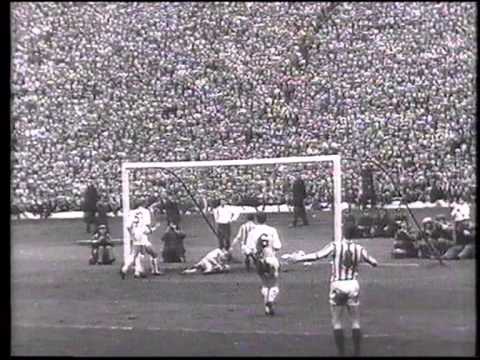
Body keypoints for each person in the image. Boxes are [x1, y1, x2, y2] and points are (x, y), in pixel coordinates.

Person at [290, 238, 378, 357]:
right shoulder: (359, 248)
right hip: (352, 284)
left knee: (337, 321)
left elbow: (317, 255)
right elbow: (373, 262)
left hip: (338, 285)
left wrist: (298, 259)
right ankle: (357, 352)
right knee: (355, 321)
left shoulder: (335, 246)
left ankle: (341, 352)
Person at [246, 212, 282, 316]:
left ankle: (266, 306)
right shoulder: (272, 230)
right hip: (272, 259)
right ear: (266, 219)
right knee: (274, 283)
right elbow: (277, 245)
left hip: (260, 261)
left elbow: (249, 248)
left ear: (256, 219)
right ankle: (270, 301)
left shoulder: (252, 232)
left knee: (265, 283)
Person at [120, 198, 163, 279]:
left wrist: (132, 235)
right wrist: (155, 228)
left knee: (136, 253)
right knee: (150, 253)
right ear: (144, 204)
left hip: (135, 234)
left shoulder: (132, 212)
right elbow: (146, 226)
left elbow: (128, 226)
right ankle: (143, 270)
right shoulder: (145, 212)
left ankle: (130, 270)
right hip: (142, 235)